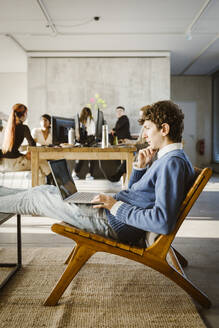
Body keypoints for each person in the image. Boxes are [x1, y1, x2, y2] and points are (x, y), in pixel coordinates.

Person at [0, 100, 195, 247]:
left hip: (112, 222)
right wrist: (139, 168)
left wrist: (115, 206)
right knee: (44, 189)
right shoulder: (169, 159)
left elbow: (162, 221)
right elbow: (138, 194)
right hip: (112, 214)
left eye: (147, 128)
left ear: (164, 129)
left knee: (37, 198)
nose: (143, 135)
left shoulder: (172, 164)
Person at [0, 103, 50, 184]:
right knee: (40, 162)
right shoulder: (24, 128)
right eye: (26, 113)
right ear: (24, 115)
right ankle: (50, 182)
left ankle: (46, 185)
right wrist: (28, 153)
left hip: (3, 162)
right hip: (14, 162)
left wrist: (26, 154)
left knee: (39, 166)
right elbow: (32, 144)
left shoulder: (6, 127)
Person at [108, 106, 150, 182]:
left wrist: (131, 143)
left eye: (142, 116)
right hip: (138, 147)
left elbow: (142, 143)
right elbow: (140, 141)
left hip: (141, 150)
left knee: (128, 157)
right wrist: (129, 142)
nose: (140, 118)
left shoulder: (146, 126)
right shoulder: (144, 126)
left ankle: (118, 174)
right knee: (127, 158)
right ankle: (118, 174)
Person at [72, 107, 96, 180]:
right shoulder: (87, 120)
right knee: (86, 156)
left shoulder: (85, 120)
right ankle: (89, 174)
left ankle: (76, 173)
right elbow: (93, 132)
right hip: (86, 140)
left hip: (87, 140)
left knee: (86, 156)